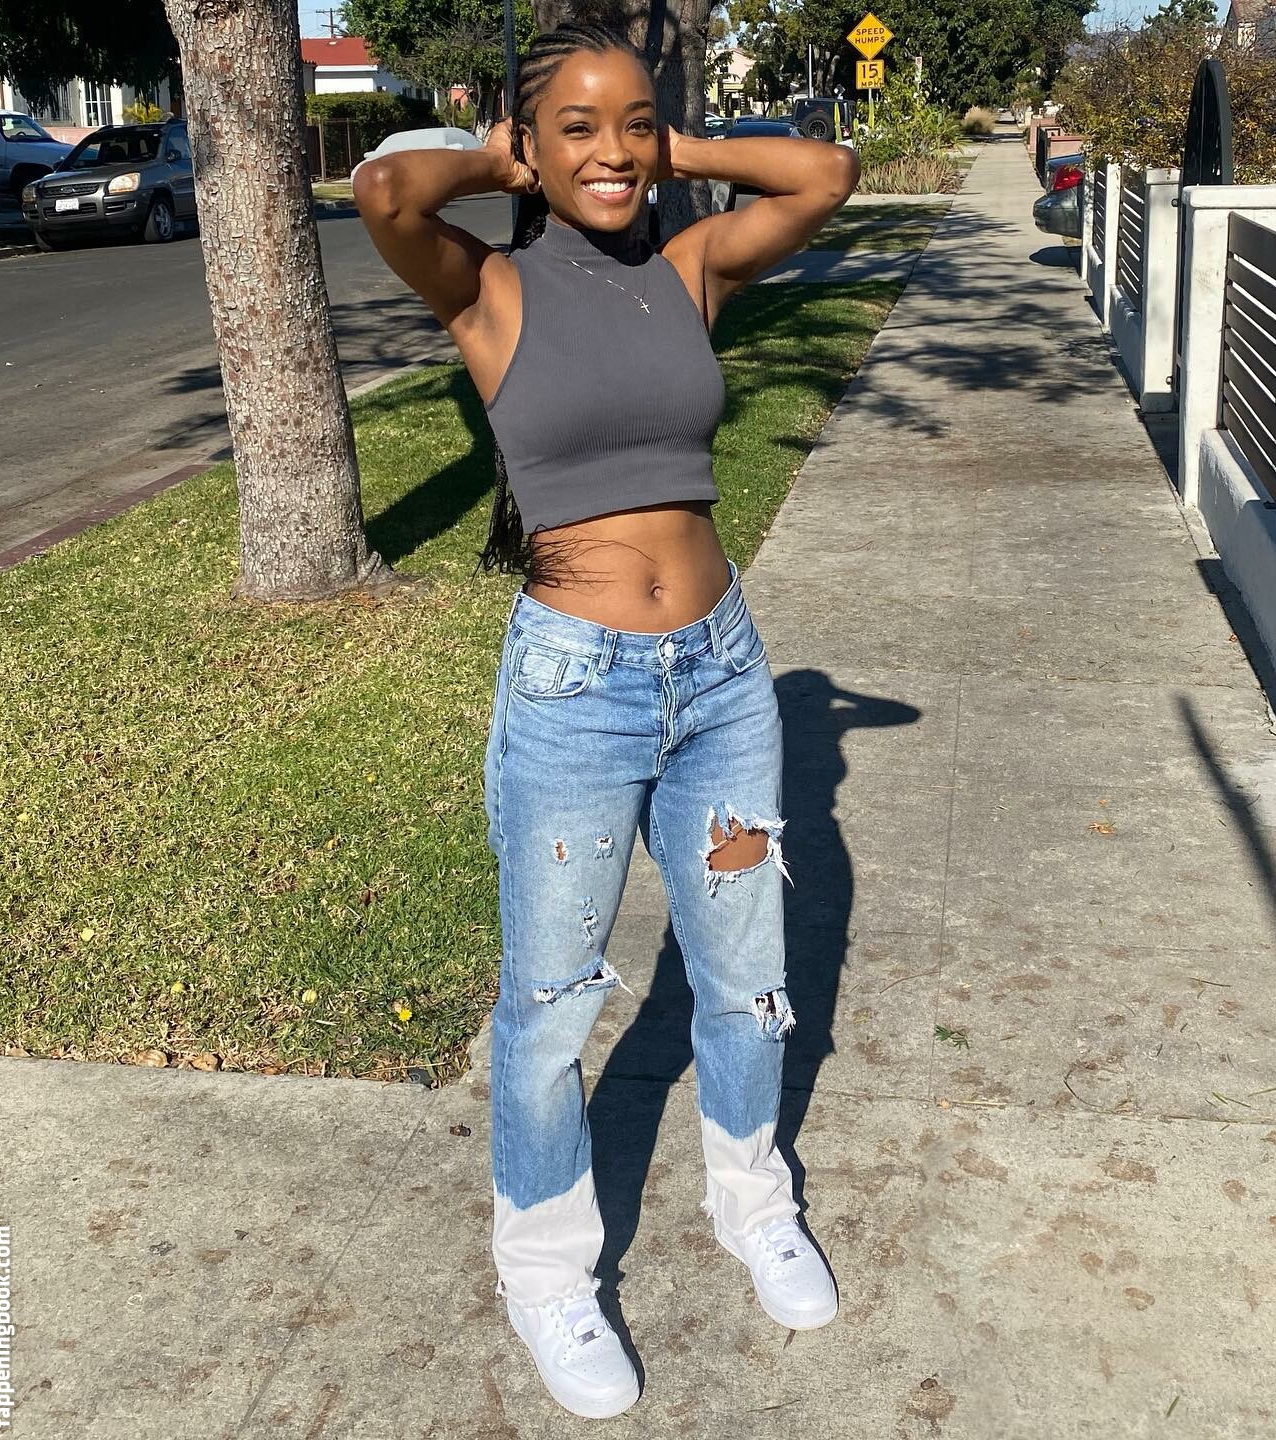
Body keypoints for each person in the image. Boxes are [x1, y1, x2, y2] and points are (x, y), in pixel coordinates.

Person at [354, 20, 858, 1420]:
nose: (614, 150)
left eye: (635, 121)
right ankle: (547, 1270)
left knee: (745, 970)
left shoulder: (687, 269)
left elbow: (823, 175)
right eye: (577, 125)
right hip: (576, 691)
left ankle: (754, 1201)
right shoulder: (488, 289)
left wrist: (670, 147)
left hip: (723, 677)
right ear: (528, 141)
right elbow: (385, 192)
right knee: (549, 1004)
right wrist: (505, 158)